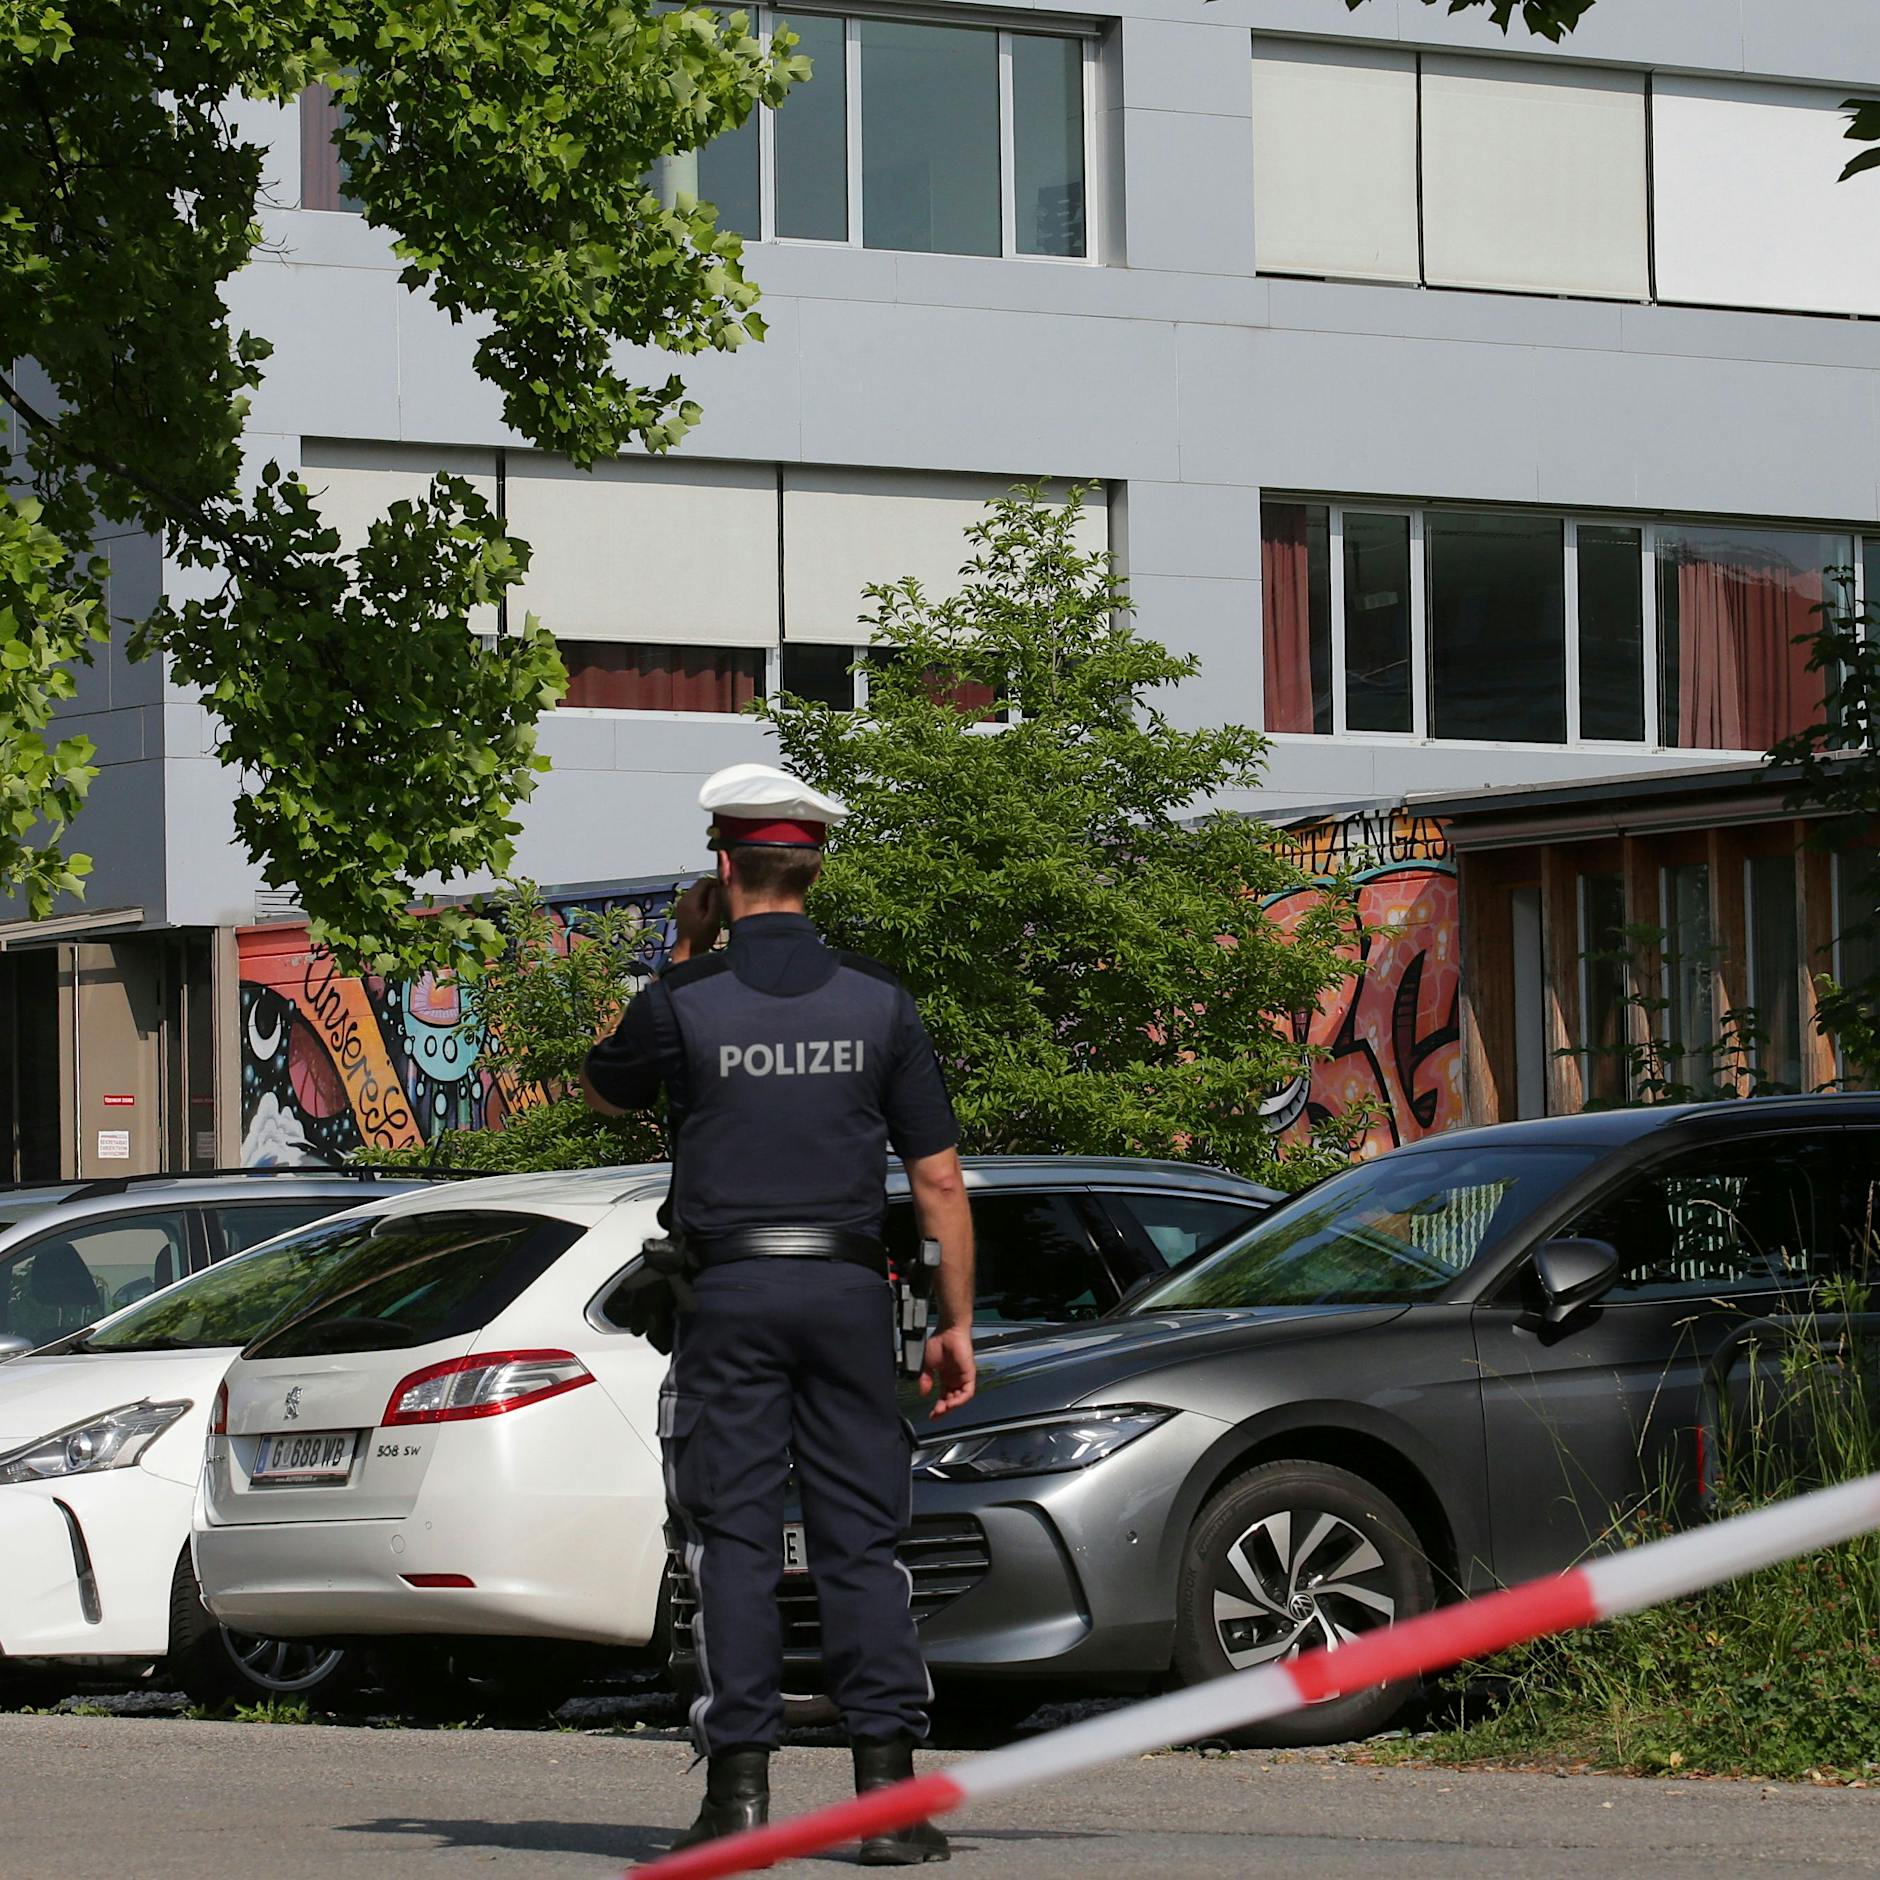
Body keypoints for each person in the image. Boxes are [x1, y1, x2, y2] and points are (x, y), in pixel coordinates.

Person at [583, 761, 976, 1866]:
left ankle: (738, 1800)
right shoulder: (878, 1001)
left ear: (721, 866)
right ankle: (889, 1806)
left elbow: (604, 1088)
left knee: (736, 1542)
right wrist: (953, 1319)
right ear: (814, 865)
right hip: (854, 1296)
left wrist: (680, 953)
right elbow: (938, 1181)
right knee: (864, 1542)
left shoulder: (683, 1000)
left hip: (732, 1297)